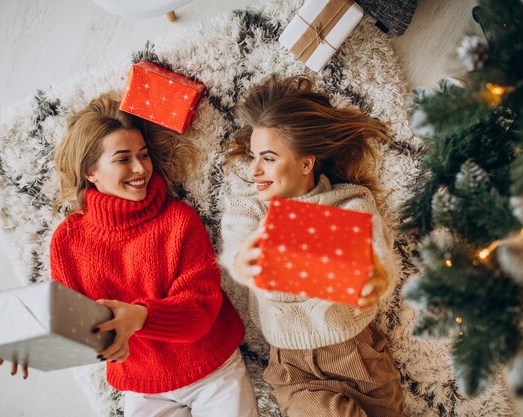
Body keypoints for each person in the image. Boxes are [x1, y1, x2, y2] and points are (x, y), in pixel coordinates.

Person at [40, 92, 258, 417]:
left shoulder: (179, 220)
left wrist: (141, 317)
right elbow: (72, 321)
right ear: (90, 172)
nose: (140, 167)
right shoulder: (67, 240)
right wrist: (29, 346)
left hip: (212, 369)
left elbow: (200, 310)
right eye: (123, 159)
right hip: (141, 384)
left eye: (143, 154)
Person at [220, 75, 405, 417]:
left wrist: (377, 276)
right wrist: (241, 259)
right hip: (294, 370)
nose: (254, 170)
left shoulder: (350, 201)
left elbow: (376, 251)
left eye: (268, 158)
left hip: (359, 360)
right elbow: (237, 241)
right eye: (253, 156)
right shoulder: (250, 207)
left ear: (306, 162)